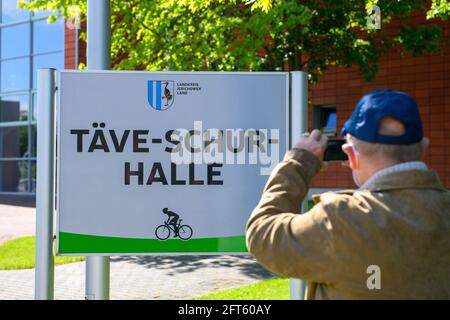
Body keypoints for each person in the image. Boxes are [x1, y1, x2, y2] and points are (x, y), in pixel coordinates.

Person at [246, 89, 450, 299]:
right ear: (423, 147)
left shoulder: (342, 219)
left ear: (351, 155)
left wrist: (298, 162)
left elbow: (262, 233)